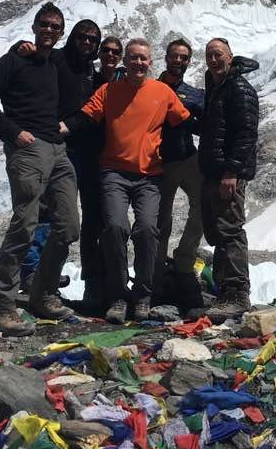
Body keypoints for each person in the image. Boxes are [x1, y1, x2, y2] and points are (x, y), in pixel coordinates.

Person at [62, 38, 190, 323]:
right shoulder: (110, 90)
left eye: (143, 58)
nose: (138, 63)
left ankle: (143, 294)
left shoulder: (163, 92)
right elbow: (85, 117)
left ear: (150, 62)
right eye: (133, 58)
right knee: (115, 228)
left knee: (146, 229)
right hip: (114, 173)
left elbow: (184, 122)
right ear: (126, 61)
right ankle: (118, 295)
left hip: (149, 176)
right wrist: (60, 127)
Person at [0, 2, 79, 336]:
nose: (49, 30)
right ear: (34, 27)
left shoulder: (54, 62)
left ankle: (41, 294)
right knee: (24, 225)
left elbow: (81, 61)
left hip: (58, 149)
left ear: (61, 32)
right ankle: (2, 306)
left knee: (67, 225)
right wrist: (13, 132)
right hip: (28, 148)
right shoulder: (14, 60)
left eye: (55, 26)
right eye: (44, 24)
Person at [11, 19, 106, 311]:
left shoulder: (94, 73)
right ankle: (32, 274)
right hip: (57, 144)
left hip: (88, 151)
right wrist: (19, 48)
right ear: (72, 37)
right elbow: (30, 53)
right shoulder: (56, 58)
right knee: (45, 213)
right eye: (83, 37)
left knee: (86, 219)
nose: (87, 43)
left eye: (93, 40)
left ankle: (88, 283)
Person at [198, 37, 259, 318]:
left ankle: (237, 294)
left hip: (227, 175)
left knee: (230, 230)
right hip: (212, 173)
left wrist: (232, 171)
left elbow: (246, 134)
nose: (213, 59)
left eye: (218, 54)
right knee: (217, 232)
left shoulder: (239, 89)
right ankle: (224, 293)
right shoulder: (217, 88)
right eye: (209, 54)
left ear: (230, 57)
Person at [153, 39, 204, 305]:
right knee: (161, 219)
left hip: (188, 159)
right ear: (167, 57)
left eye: (184, 58)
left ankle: (184, 261)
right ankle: (158, 269)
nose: (179, 61)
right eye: (175, 56)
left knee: (204, 205)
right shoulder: (151, 89)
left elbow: (206, 124)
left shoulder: (195, 94)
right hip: (160, 162)